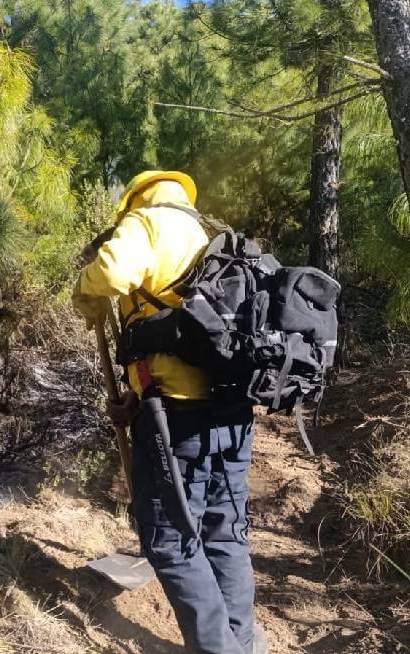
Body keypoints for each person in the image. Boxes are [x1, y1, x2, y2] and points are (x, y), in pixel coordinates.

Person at [72, 171, 268, 654]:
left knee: (170, 541)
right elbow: (189, 336)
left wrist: (86, 285)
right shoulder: (208, 238)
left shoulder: (148, 222)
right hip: (231, 413)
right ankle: (241, 642)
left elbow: (115, 273)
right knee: (225, 533)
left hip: (176, 421)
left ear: (136, 199)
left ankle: (219, 650)